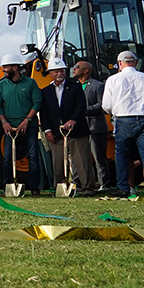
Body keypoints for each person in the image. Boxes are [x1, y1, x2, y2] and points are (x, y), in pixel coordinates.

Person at [102, 50, 144, 196]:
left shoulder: (113, 80)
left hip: (123, 119)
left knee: (122, 155)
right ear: (136, 63)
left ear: (119, 63)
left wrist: (116, 112)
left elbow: (106, 105)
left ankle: (124, 188)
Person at [39, 57, 93, 194]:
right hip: (56, 134)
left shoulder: (75, 87)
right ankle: (60, 189)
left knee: (82, 161)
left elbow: (81, 106)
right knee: (58, 163)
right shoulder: (45, 91)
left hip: (77, 131)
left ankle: (87, 188)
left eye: (62, 70)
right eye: (56, 71)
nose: (59, 73)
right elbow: (44, 113)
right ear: (50, 73)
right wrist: (47, 130)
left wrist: (73, 121)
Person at [0, 53, 45, 191]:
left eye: (6, 67)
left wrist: (27, 121)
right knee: (7, 158)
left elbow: (37, 102)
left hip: (30, 127)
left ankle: (35, 188)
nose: (3, 70)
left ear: (15, 67)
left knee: (33, 156)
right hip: (10, 128)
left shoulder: (30, 83)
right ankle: (8, 187)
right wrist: (4, 122)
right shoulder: (2, 85)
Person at [74, 60, 114, 190]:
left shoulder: (98, 86)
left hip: (95, 127)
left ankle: (104, 184)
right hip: (79, 128)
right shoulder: (73, 86)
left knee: (99, 157)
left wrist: (82, 111)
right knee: (78, 157)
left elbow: (101, 105)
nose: (74, 68)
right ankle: (78, 183)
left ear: (86, 70)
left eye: (77, 67)